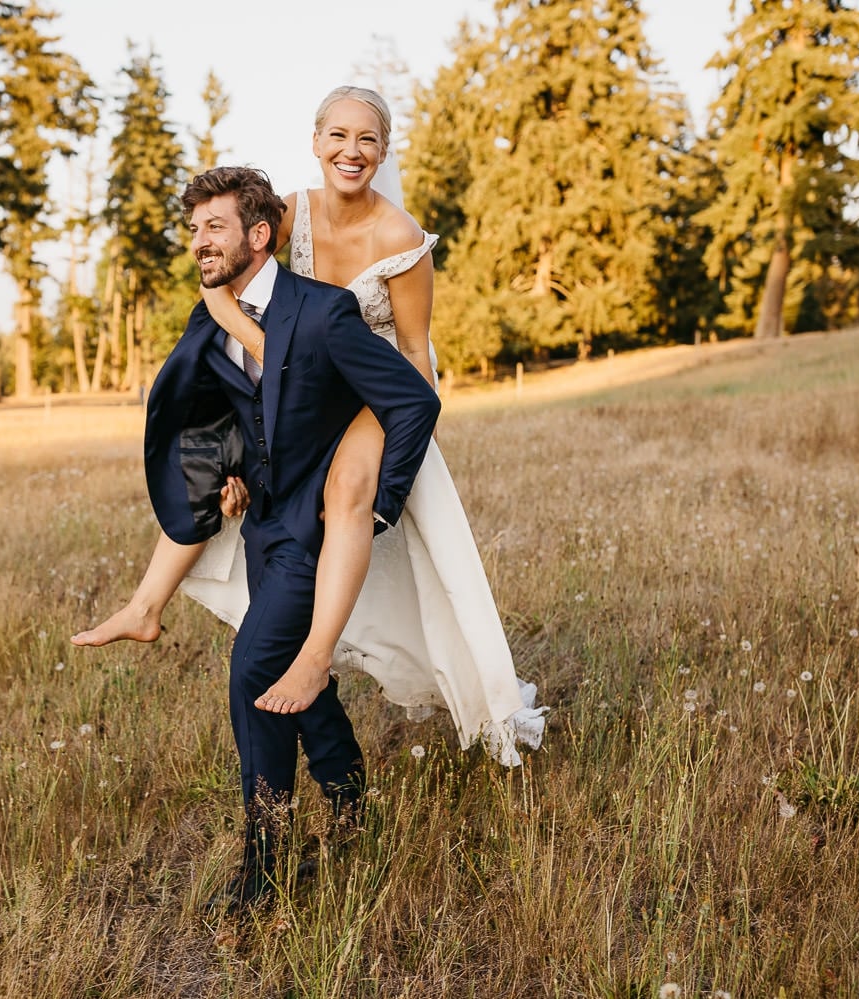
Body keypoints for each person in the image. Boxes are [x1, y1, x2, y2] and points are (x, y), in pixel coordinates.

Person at [74, 86, 547, 770]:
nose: (351, 152)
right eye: (338, 136)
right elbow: (235, 295)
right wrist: (265, 372)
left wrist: (408, 444)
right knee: (220, 460)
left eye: (368, 140)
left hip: (373, 384)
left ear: (384, 152)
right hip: (297, 377)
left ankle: (314, 658)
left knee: (349, 489)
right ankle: (146, 602)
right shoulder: (287, 214)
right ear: (316, 140)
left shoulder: (400, 236)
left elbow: (414, 351)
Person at [138, 165, 440, 911]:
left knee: (251, 671)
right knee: (290, 679)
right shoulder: (210, 315)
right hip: (262, 526)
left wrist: (375, 504)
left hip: (317, 528)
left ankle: (263, 864)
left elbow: (413, 400)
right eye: (195, 227)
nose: (200, 240)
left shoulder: (324, 312)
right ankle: (345, 789)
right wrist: (232, 473)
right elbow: (237, 409)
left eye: (215, 226)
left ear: (259, 235)